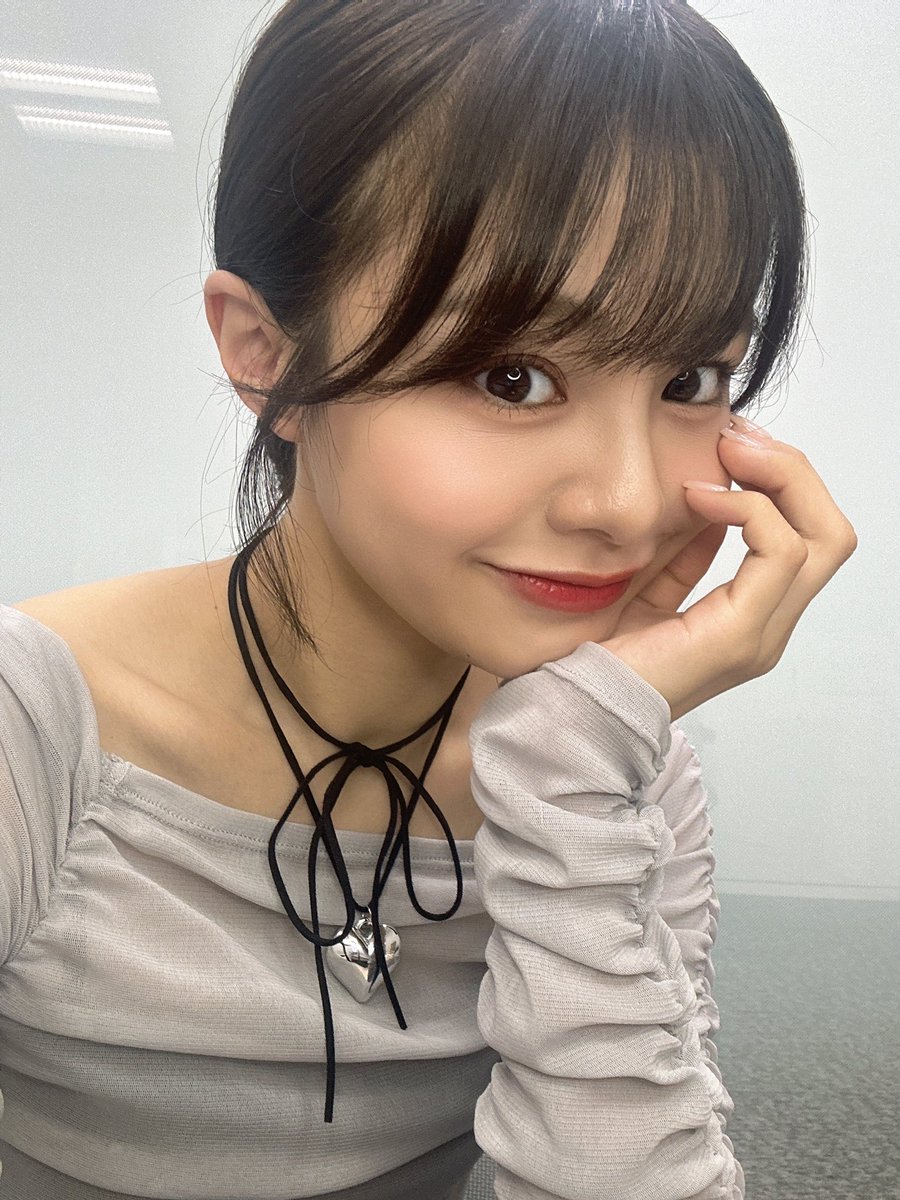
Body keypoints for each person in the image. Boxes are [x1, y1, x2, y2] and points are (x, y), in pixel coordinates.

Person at [0, 1, 857, 1197]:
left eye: (690, 378)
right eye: (512, 377)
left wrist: (566, 777)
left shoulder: (615, 761)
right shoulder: (33, 735)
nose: (625, 504)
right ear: (266, 352)